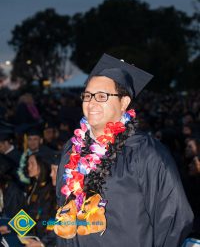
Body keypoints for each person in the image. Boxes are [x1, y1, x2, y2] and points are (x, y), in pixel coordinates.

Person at [56, 54, 193, 247]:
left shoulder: (146, 153)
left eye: (102, 96)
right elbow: (63, 209)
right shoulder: (71, 150)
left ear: (124, 102)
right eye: (87, 95)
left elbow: (173, 220)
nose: (91, 102)